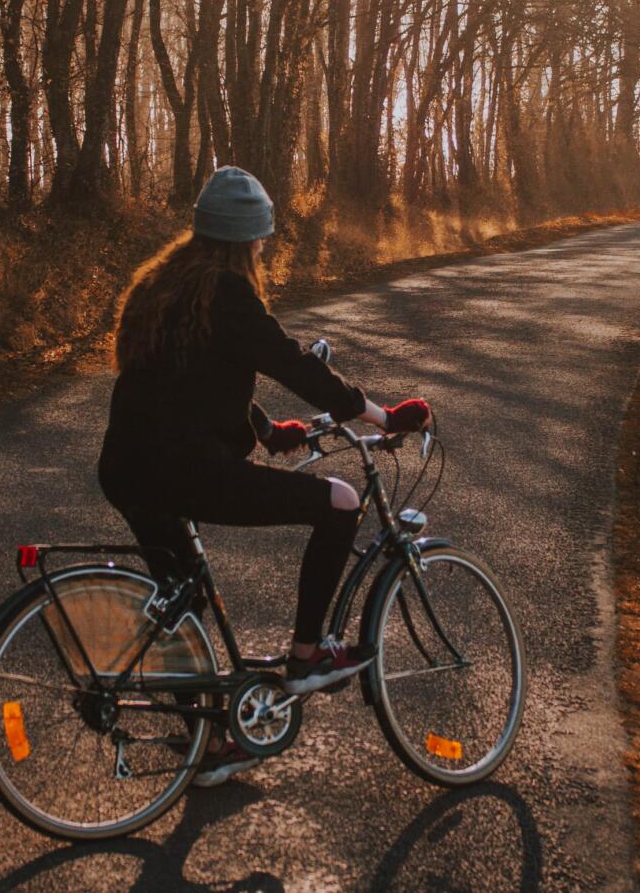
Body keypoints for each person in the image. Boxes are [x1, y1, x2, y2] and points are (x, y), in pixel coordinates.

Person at [97, 166, 431, 784]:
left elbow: (195, 379)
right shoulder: (226, 293)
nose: (262, 249)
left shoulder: (161, 286)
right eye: (260, 239)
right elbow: (294, 367)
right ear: (246, 239)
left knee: (183, 602)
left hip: (126, 468)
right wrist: (385, 416)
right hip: (185, 469)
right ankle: (306, 657)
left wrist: (271, 433)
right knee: (338, 501)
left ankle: (204, 747)